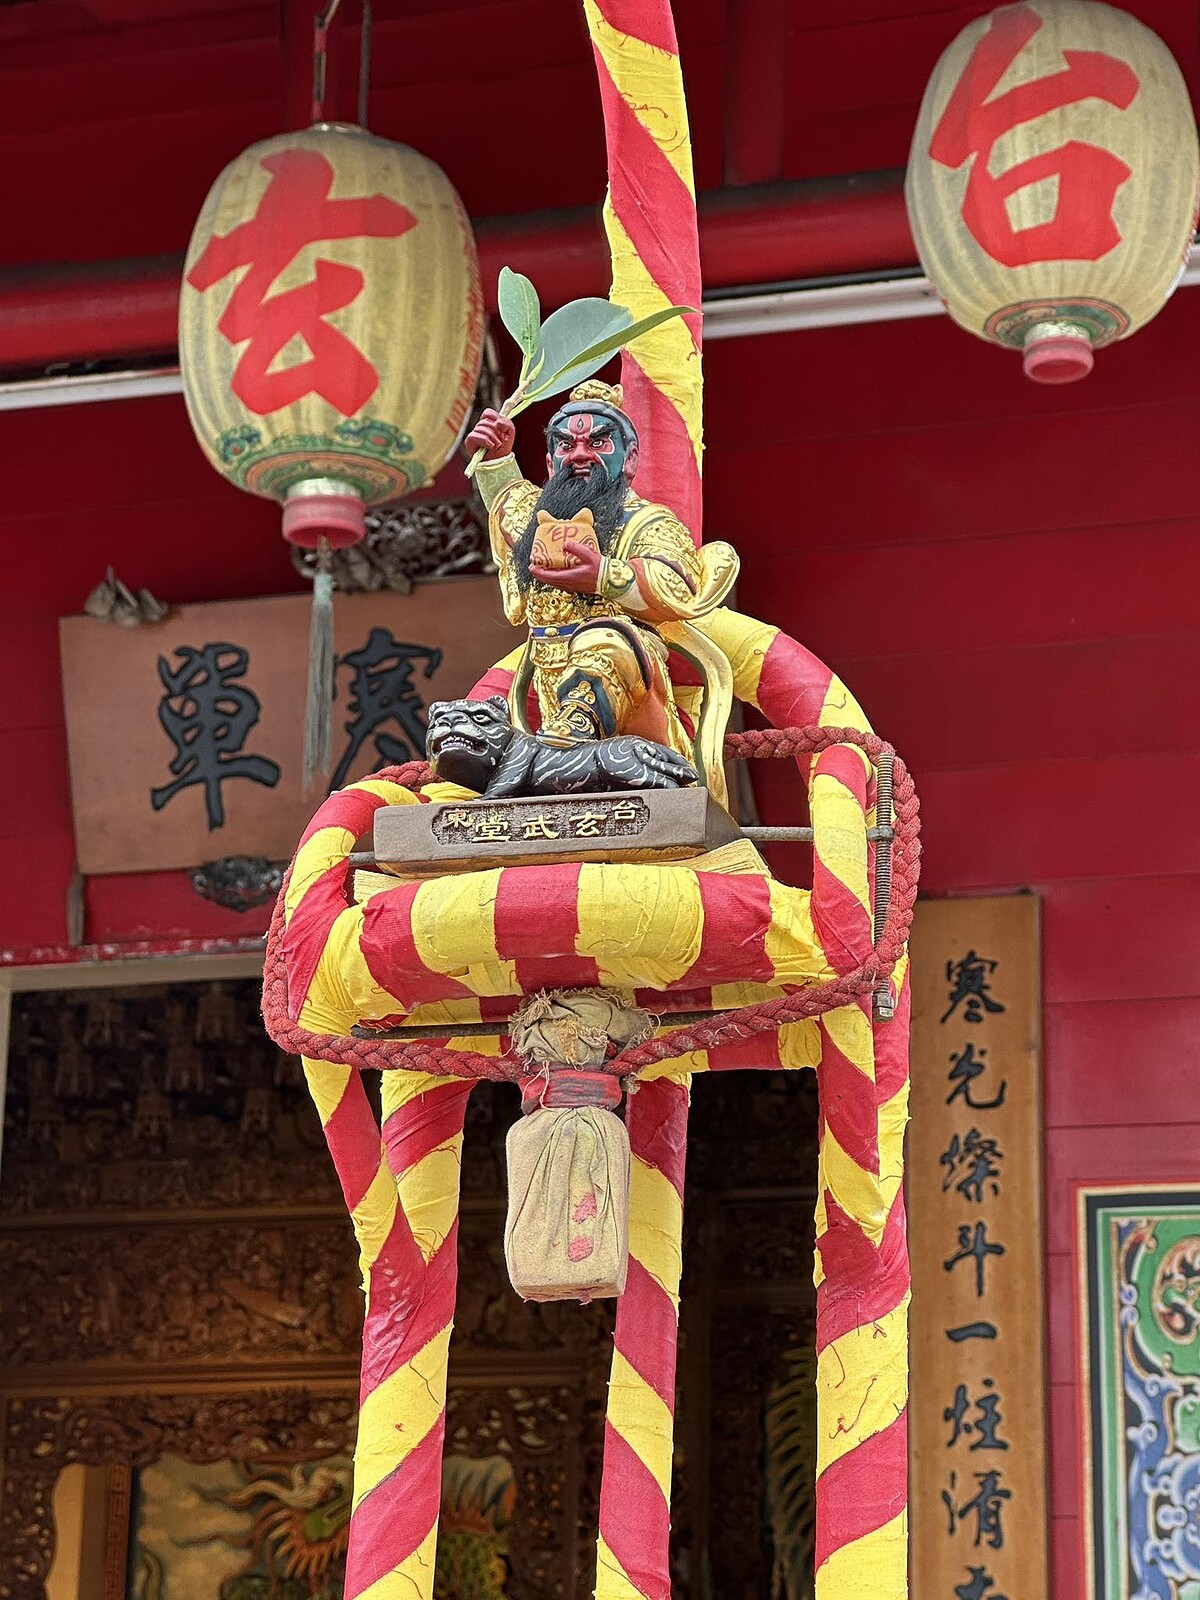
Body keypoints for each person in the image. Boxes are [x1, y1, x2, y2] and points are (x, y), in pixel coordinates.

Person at [466, 380, 738, 755]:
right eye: (566, 445)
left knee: (608, 638)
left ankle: (580, 719)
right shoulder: (538, 518)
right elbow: (508, 501)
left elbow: (675, 584)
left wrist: (604, 576)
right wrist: (495, 458)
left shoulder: (648, 522)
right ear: (550, 463)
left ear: (630, 458)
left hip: (633, 699)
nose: (580, 455)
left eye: (597, 443)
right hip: (550, 692)